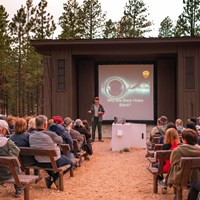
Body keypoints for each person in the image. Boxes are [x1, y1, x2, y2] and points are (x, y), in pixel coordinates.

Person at [29, 115, 73, 189]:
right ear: (45, 124)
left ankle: (51, 179)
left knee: (50, 163)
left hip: (39, 161)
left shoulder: (31, 135)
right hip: (53, 161)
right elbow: (61, 140)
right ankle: (55, 178)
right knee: (71, 163)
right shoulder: (50, 134)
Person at [167, 128, 200, 200]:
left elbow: (172, 163)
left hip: (182, 179)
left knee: (174, 170)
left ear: (184, 139)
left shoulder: (178, 150)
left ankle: (177, 196)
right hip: (197, 178)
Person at [0, 119, 23, 198]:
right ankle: (18, 189)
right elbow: (16, 152)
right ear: (3, 130)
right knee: (15, 166)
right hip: (7, 173)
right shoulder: (8, 142)